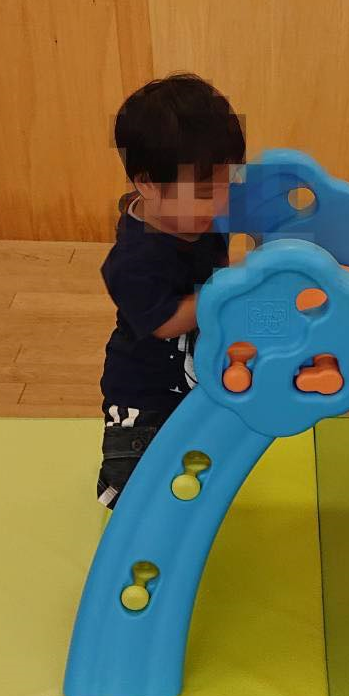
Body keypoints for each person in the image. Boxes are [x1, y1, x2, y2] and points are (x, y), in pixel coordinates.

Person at [96, 73, 245, 506]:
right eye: (205, 192)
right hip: (143, 402)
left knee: (193, 471)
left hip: (194, 383)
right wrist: (223, 291)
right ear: (147, 184)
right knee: (132, 490)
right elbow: (164, 323)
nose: (220, 202)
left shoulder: (199, 216)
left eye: (228, 184)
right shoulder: (133, 260)